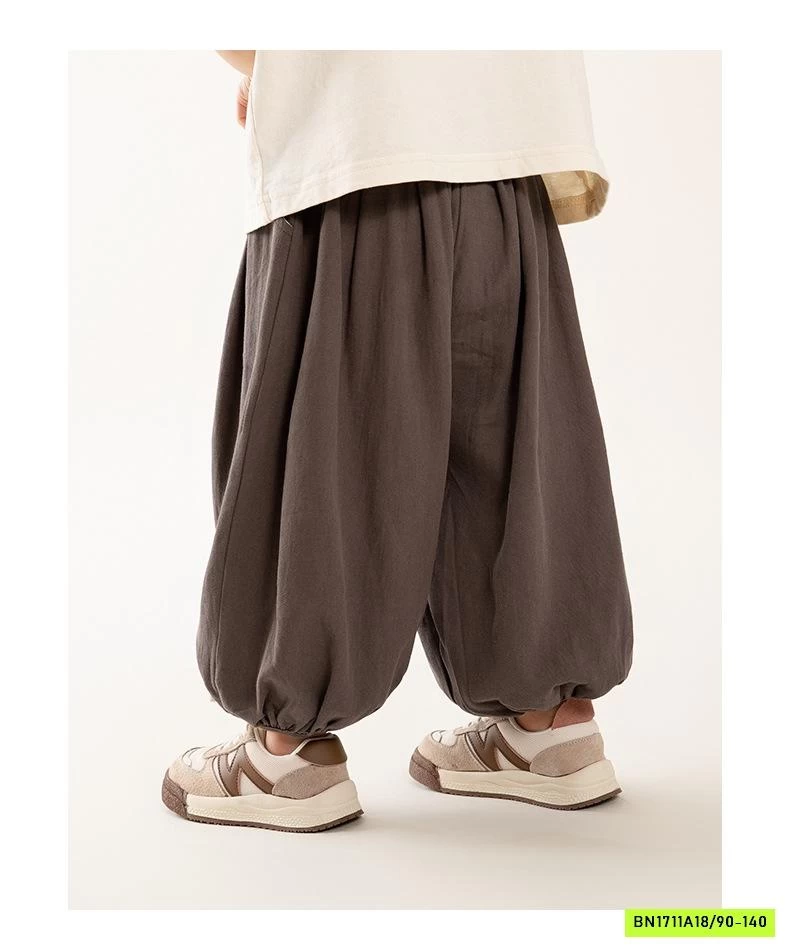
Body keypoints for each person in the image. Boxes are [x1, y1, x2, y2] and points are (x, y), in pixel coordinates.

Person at [161, 51, 633, 832]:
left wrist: (265, 60)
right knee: (515, 453)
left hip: (359, 158)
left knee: (326, 457)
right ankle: (549, 733)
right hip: (505, 161)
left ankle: (284, 756)